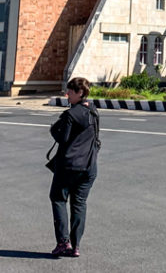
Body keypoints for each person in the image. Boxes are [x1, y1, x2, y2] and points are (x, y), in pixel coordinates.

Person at [48, 76, 101, 258]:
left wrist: (59, 128)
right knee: (79, 204)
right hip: (89, 167)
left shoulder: (70, 115)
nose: (67, 94)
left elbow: (61, 137)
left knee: (58, 198)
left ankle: (63, 242)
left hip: (69, 166)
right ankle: (76, 245)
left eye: (70, 92)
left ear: (79, 93)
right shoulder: (93, 111)